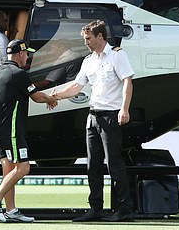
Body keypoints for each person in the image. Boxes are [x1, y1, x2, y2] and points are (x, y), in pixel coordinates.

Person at [52, 20, 135, 222]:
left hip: (110, 116)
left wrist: (124, 109)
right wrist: (56, 96)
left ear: (100, 36)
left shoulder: (117, 55)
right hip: (93, 116)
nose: (86, 42)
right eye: (85, 39)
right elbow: (77, 86)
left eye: (88, 38)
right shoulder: (88, 60)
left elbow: (128, 82)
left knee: (114, 163)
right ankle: (95, 208)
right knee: (93, 165)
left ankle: (125, 209)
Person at [0, 39, 57, 223]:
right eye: (26, 54)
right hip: (13, 130)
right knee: (23, 167)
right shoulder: (19, 74)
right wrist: (50, 99)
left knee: (9, 171)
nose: (28, 57)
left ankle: (11, 210)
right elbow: (37, 97)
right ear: (20, 54)